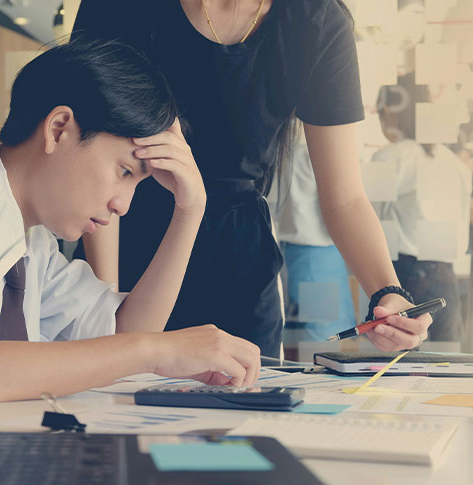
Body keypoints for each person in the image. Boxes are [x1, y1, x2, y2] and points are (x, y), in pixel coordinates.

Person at [0, 39, 261, 427]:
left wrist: (190, 210)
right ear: (58, 129)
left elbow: (124, 333)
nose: (124, 205)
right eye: (124, 173)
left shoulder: (33, 245)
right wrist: (152, 351)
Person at [73, 0, 432, 355]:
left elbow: (345, 198)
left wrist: (388, 294)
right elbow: (93, 157)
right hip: (124, 235)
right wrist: (104, 306)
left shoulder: (316, 21)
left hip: (239, 268)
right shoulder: (118, 7)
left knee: (247, 407)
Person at [372, 73, 471, 342]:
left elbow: (366, 222)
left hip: (407, 277)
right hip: (446, 280)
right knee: (445, 368)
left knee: (402, 372)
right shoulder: (452, 162)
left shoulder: (391, 157)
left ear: (393, 113)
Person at [276, 141, 356, 341]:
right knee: (325, 338)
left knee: (325, 333)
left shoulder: (285, 150)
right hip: (317, 255)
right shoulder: (315, 150)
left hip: (304, 253)